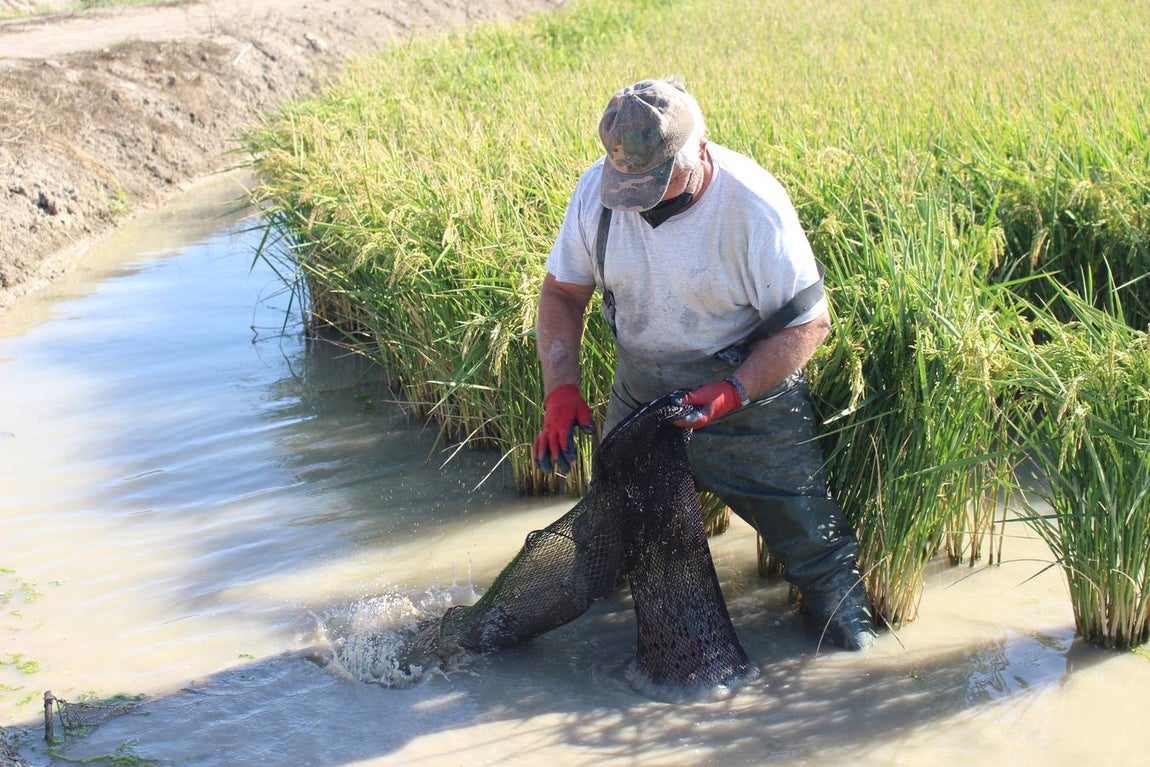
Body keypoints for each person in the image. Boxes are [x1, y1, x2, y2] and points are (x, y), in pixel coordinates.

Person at [531, 76, 876, 650]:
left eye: (655, 183)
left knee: (813, 545)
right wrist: (559, 389)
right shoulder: (595, 192)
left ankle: (855, 652)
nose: (641, 200)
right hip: (642, 387)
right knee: (611, 534)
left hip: (748, 391)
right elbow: (562, 296)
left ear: (699, 151)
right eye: (629, 186)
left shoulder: (752, 206)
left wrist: (733, 391)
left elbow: (808, 323)